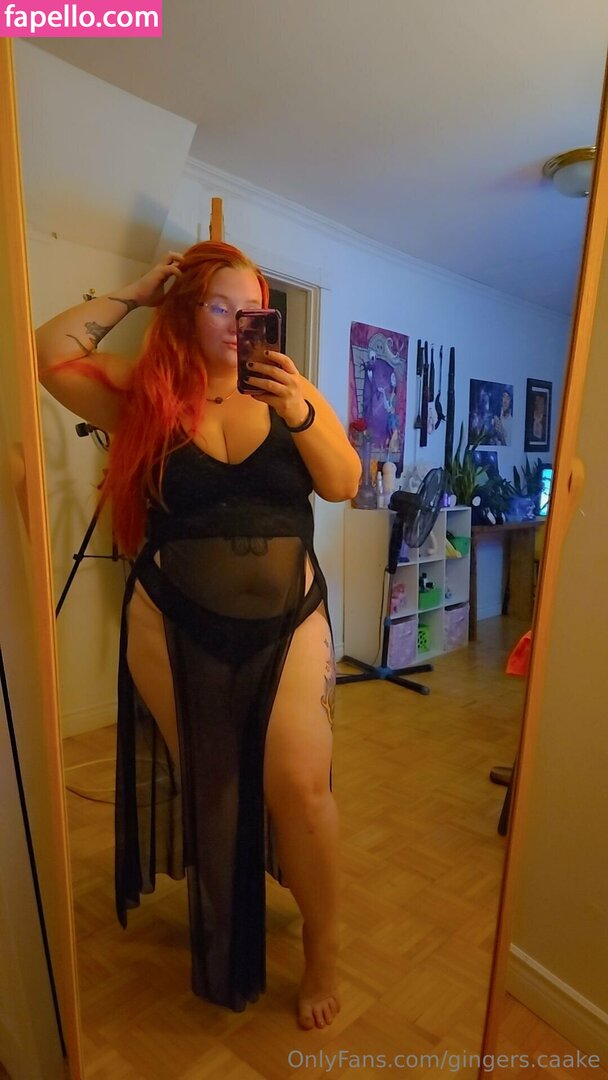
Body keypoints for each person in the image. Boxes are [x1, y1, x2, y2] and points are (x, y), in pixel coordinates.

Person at [35, 241, 362, 1031]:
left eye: (253, 309)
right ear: (187, 310)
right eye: (220, 305)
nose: (238, 322)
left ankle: (323, 948)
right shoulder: (147, 395)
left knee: (301, 787)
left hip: (289, 619)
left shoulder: (290, 390)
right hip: (170, 619)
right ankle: (225, 925)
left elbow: (344, 482)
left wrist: (299, 409)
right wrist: (137, 291)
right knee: (213, 786)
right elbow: (50, 356)